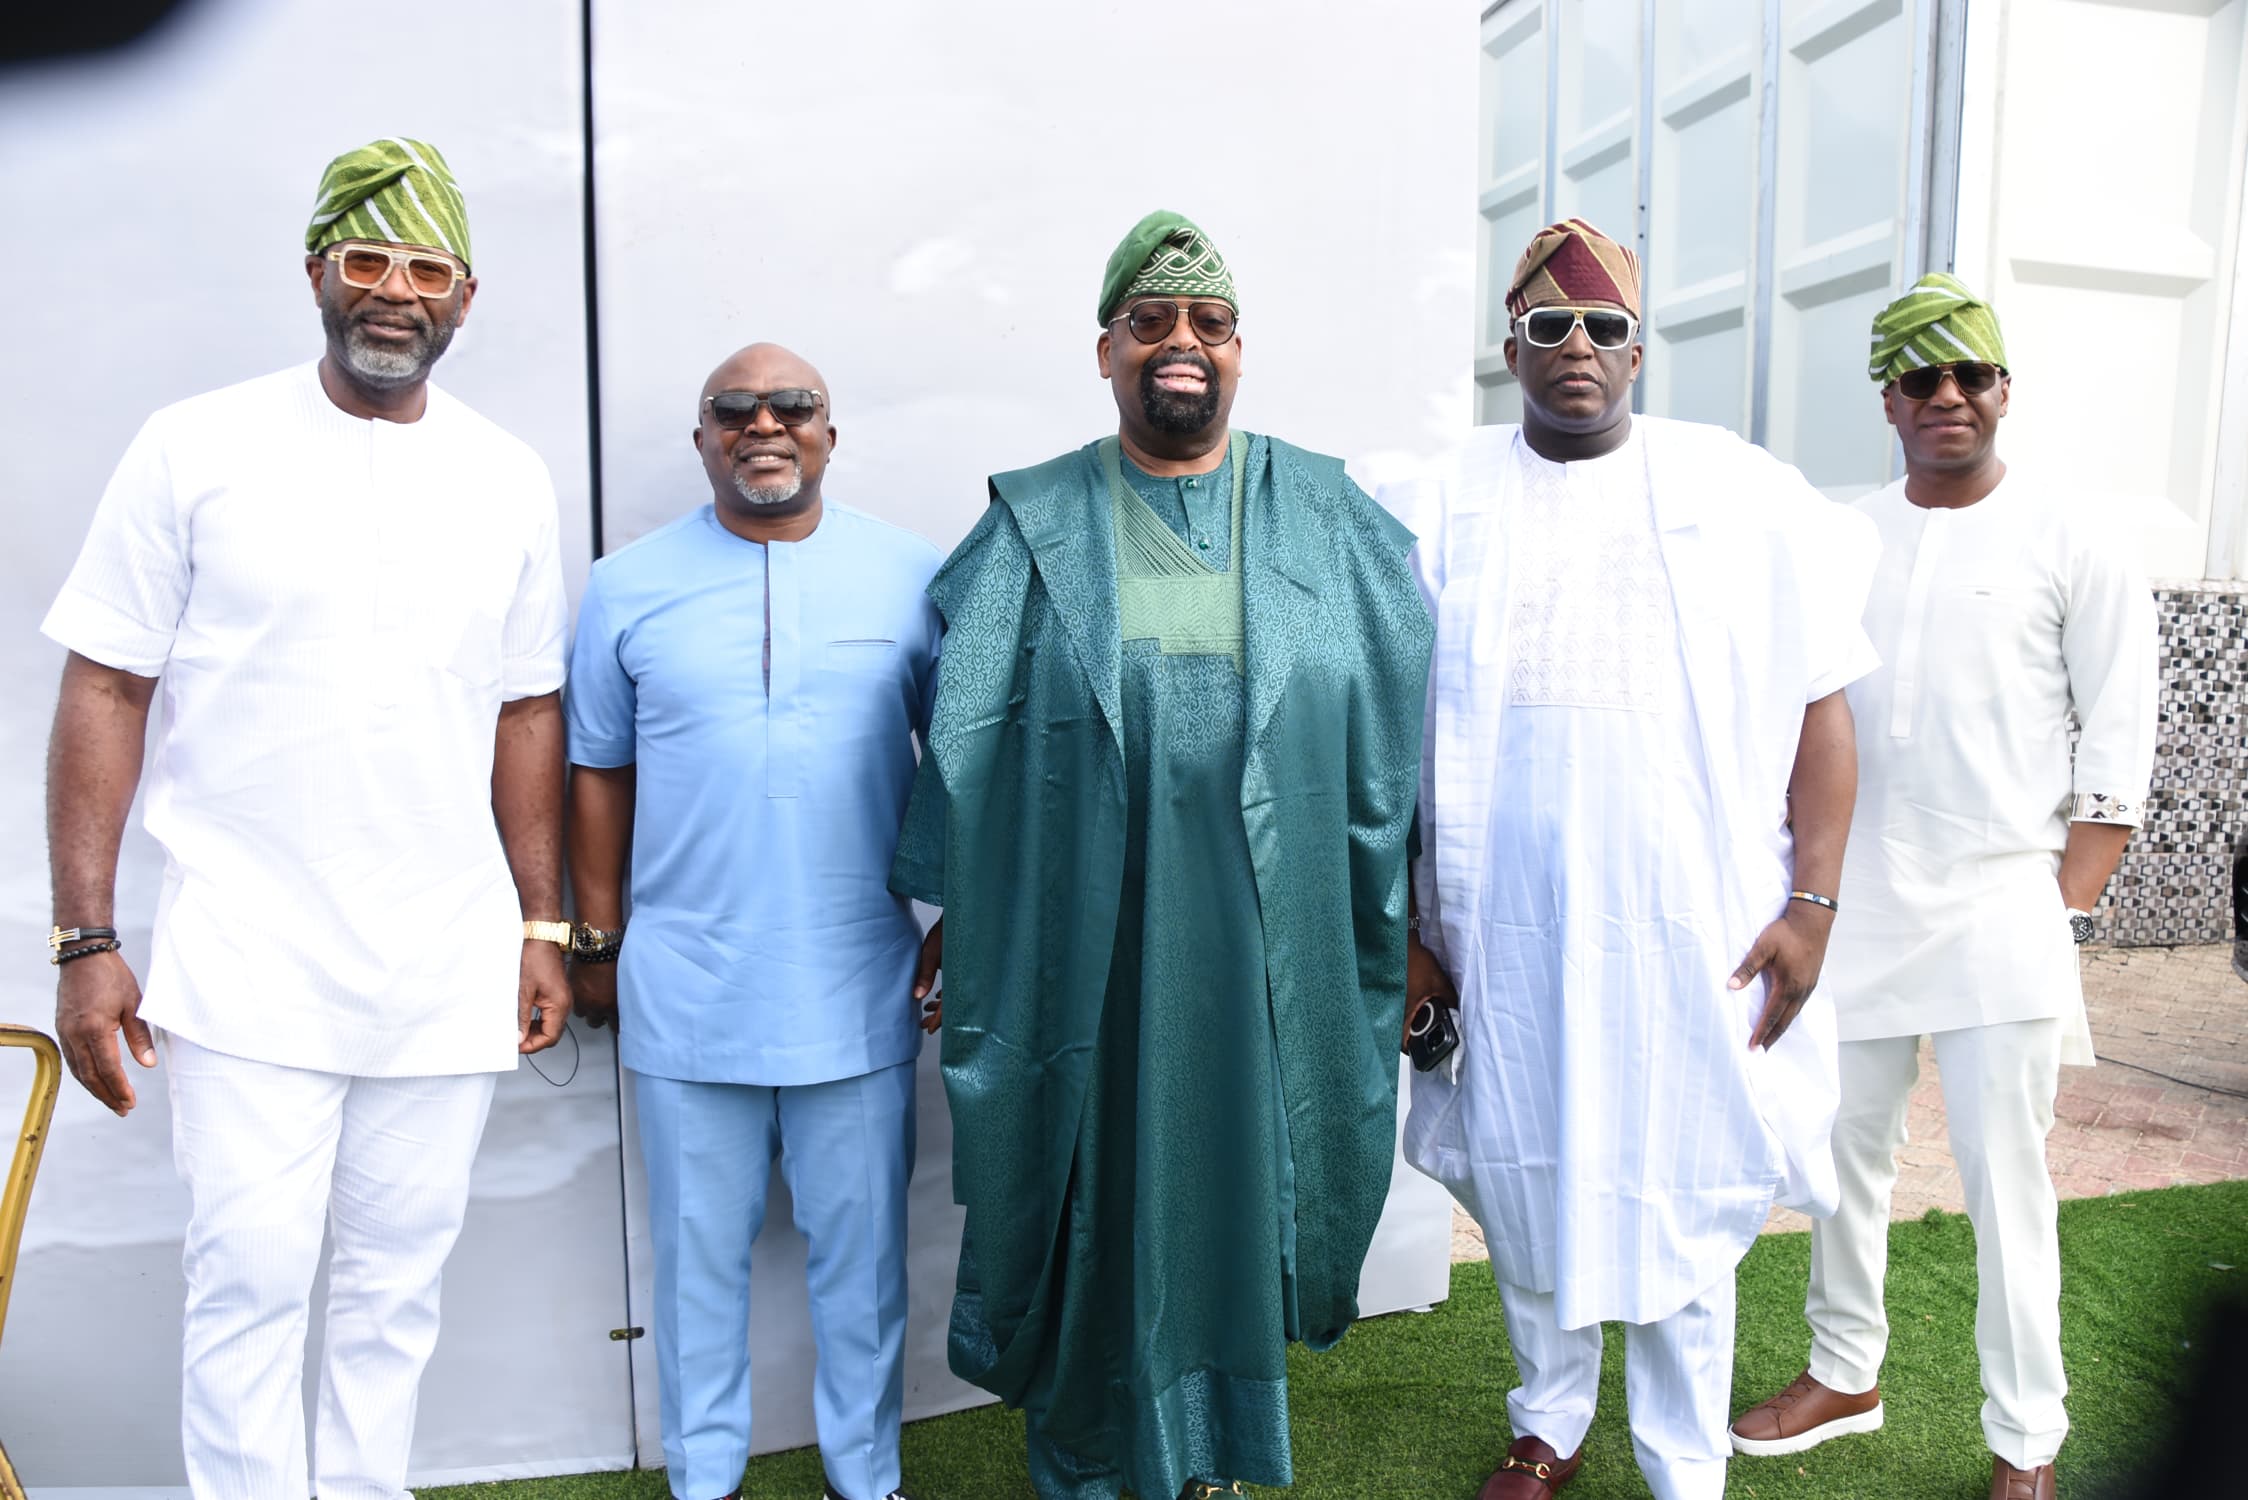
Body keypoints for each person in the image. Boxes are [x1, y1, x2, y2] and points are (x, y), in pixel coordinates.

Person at [41, 138, 570, 1500]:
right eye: (366, 260)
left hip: (442, 957)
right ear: (316, 273)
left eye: (426, 269)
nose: (395, 292)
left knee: (397, 1288)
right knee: (250, 1283)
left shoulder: (508, 474)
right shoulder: (195, 445)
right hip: (246, 952)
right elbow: (105, 685)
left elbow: (526, 710)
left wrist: (541, 925)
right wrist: (85, 939)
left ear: (465, 296)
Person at [886, 211, 1432, 1500]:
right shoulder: (1034, 523)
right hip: (1084, 941)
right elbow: (963, 726)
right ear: (1106, 351)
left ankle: (1212, 1456)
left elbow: (1399, 724)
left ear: (1239, 352)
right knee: (1091, 1182)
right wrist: (959, 904)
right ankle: (1088, 1458)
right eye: (1150, 322)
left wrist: (1408, 913)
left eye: (1209, 324)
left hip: (1269, 939)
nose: (1181, 342)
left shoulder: (1327, 516)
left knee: (1238, 1181)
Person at [1380, 218, 1878, 1500]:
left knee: (1677, 1169)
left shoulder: (1742, 495)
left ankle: (1681, 1454)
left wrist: (1814, 904)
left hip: (1694, 929)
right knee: (1525, 1167)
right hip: (1499, 931)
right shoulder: (1434, 503)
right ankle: (1545, 1419)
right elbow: (1372, 730)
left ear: (1639, 350)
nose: (1579, 349)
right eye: (1549, 326)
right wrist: (1402, 927)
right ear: (1510, 349)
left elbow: (1823, 705)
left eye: (1604, 328)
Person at [1728, 273, 2157, 1500]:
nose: (1947, 396)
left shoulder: (2073, 536)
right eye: (1921, 378)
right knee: (1843, 1155)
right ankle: (1842, 1373)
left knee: (2005, 1184)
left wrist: (2060, 909)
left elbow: (2117, 743)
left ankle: (2026, 1441)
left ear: (2004, 390)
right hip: (1852, 906)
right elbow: (1795, 713)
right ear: (1888, 401)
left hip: (2001, 908)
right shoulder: (1842, 537)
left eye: (1970, 374)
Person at [565, 343, 936, 1500]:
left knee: (863, 1274)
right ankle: (703, 1481)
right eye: (733, 409)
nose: (761, 424)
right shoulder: (626, 585)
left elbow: (963, 762)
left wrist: (961, 920)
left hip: (857, 986)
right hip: (684, 989)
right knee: (694, 1271)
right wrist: (594, 941)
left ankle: (865, 1480)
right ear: (702, 439)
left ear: (830, 433)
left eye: (791, 406)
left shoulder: (913, 576)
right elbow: (596, 770)